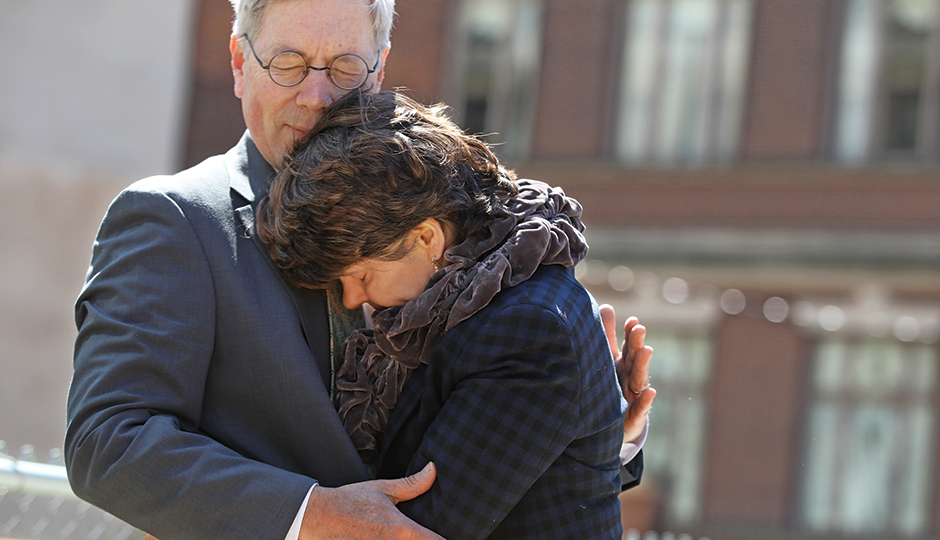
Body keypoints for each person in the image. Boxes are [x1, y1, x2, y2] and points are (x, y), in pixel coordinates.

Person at [64, 1, 655, 539]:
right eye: (289, 62)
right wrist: (309, 515)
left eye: (344, 67)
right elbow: (108, 442)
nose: (317, 96)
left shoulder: (439, 231)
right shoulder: (174, 220)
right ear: (241, 61)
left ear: (379, 71)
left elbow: (470, 434)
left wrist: (594, 426)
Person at [256, 90, 637, 540]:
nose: (353, 299)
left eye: (359, 274)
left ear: (426, 237)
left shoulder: (526, 327)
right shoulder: (476, 298)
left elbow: (409, 530)